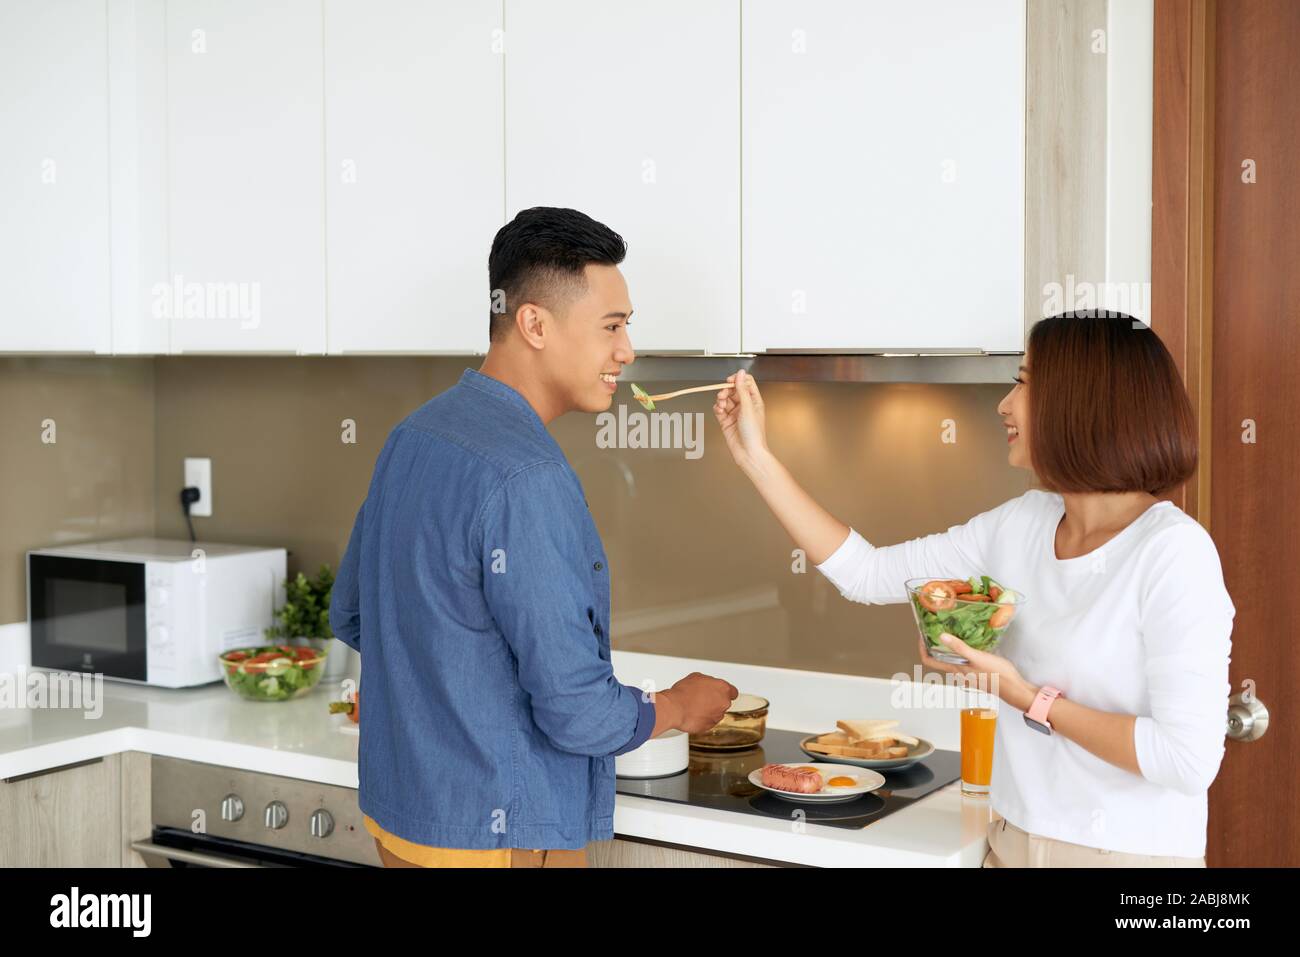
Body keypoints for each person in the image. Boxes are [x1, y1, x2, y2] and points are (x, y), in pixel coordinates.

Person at [712, 312, 1234, 867]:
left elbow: (1186, 758)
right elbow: (866, 574)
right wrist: (757, 459)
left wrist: (1027, 697)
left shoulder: (1172, 552)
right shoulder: (1024, 522)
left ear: (1082, 401)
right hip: (1009, 844)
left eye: (1025, 382)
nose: (1005, 404)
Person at [330, 206, 736, 868]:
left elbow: (352, 613)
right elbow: (578, 712)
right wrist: (676, 706)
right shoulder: (526, 476)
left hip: (403, 826)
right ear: (535, 323)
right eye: (612, 326)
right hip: (500, 840)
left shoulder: (413, 437)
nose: (627, 350)